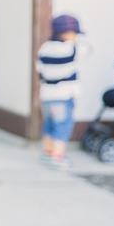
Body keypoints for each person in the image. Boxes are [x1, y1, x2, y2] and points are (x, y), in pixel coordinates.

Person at [36, 13, 86, 170]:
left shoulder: (45, 48)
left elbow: (40, 70)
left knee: (49, 124)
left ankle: (47, 152)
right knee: (62, 126)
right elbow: (88, 50)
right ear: (67, 33)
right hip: (64, 96)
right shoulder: (72, 49)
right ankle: (58, 157)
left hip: (47, 94)